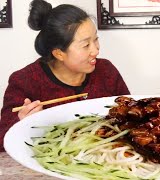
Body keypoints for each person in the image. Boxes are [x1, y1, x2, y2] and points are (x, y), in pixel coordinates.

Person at [0, 0, 130, 152]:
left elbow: (131, 115)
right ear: (59, 53)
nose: (95, 50)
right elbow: (3, 141)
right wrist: (21, 123)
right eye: (86, 45)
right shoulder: (24, 81)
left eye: (96, 39)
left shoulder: (106, 70)